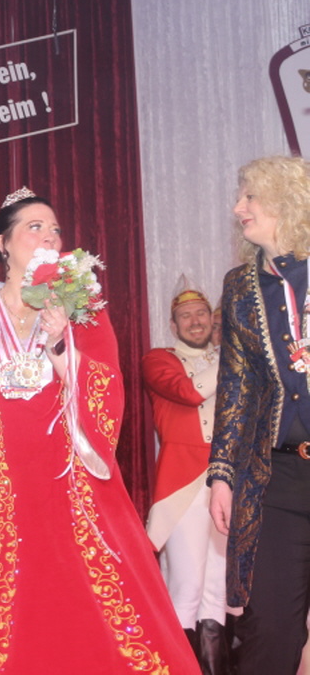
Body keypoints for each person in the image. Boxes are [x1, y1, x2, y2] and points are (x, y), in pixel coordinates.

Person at [0, 187, 198, 674]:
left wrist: (60, 345)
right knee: (8, 608)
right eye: (34, 227)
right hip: (4, 483)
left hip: (73, 478)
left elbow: (105, 391)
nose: (50, 237)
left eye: (55, 229)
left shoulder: (80, 305)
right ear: (3, 243)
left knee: (103, 600)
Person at [209, 156, 310, 675]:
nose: (238, 207)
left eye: (250, 196)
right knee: (269, 630)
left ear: (286, 201)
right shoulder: (241, 286)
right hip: (276, 477)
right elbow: (237, 385)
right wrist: (222, 474)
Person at [143, 279, 228, 672]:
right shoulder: (158, 359)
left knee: (217, 591)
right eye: (185, 316)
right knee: (187, 586)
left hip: (229, 481)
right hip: (183, 485)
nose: (195, 322)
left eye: (201, 314)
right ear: (173, 326)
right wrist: (233, 357)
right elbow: (190, 392)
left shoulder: (228, 360)